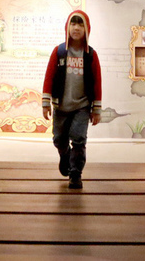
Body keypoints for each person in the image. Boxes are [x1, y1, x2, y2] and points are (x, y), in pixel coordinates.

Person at [42, 10, 102, 189]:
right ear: (67, 27)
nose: (76, 28)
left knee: (78, 138)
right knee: (59, 139)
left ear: (87, 29)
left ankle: (76, 173)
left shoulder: (91, 55)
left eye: (80, 24)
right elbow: (49, 77)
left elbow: (97, 82)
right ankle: (65, 155)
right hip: (61, 105)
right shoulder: (59, 51)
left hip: (82, 106)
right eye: (73, 24)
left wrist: (96, 109)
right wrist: (46, 103)